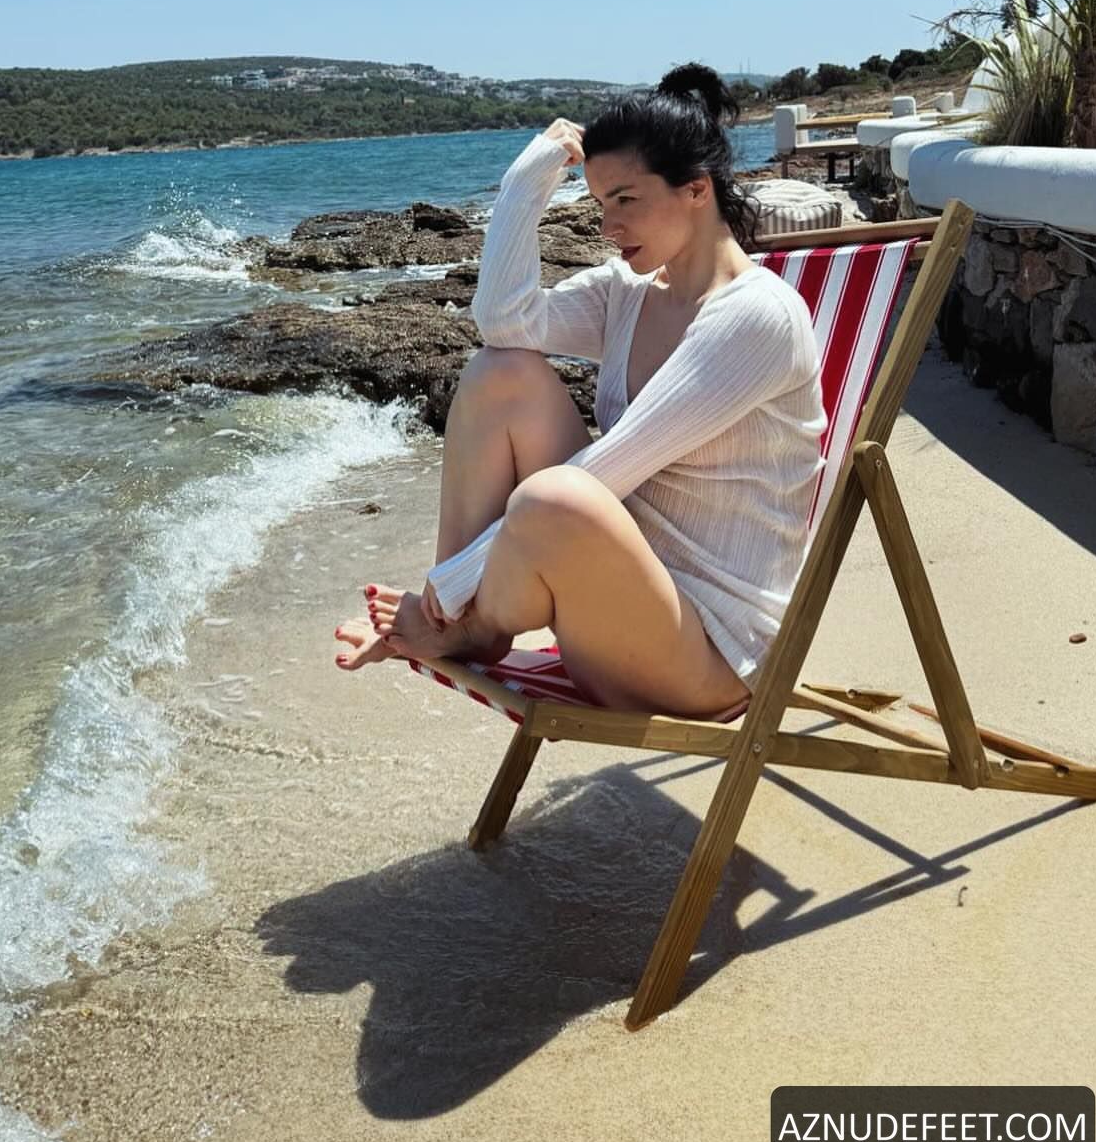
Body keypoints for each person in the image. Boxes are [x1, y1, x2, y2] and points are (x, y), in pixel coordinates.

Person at [333, 63, 826, 719]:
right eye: (599, 205)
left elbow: (608, 470)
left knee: (558, 494)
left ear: (696, 189)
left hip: (707, 658)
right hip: (614, 604)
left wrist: (443, 590)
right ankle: (465, 626)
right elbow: (505, 323)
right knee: (499, 373)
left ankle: (453, 617)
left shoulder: (757, 316)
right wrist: (524, 182)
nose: (607, 226)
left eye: (626, 200)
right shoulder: (628, 294)